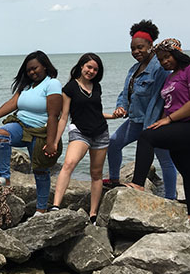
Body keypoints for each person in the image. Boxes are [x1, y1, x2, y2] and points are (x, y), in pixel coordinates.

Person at [104, 20, 176, 198]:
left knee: (165, 159)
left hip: (154, 122)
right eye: (133, 48)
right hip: (135, 120)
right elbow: (125, 92)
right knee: (113, 143)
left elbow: (158, 99)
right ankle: (114, 179)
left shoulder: (160, 68)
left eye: (140, 47)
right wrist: (121, 107)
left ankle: (170, 197)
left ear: (151, 45)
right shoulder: (134, 69)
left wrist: (154, 126)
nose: (136, 52)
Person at [0, 51, 62, 216]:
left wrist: (51, 143)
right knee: (1, 135)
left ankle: (41, 209)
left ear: (45, 66)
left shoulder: (52, 83)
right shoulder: (27, 86)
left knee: (41, 171)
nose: (32, 73)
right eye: (28, 71)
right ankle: (5, 177)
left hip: (41, 133)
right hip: (21, 126)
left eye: (35, 68)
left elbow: (53, 115)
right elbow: (13, 103)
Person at [126, 38, 190, 217]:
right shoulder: (170, 77)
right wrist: (161, 121)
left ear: (177, 53)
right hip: (175, 125)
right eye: (160, 59)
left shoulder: (188, 71)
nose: (164, 62)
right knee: (186, 170)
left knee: (146, 137)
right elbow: (169, 104)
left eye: (167, 57)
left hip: (186, 124)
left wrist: (168, 120)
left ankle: (138, 182)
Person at [52, 53, 115, 223]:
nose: (91, 71)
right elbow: (64, 116)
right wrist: (55, 141)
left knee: (96, 173)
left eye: (95, 69)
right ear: (81, 66)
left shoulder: (97, 87)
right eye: (89, 67)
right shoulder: (70, 88)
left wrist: (112, 116)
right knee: (69, 163)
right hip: (80, 132)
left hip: (101, 132)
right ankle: (56, 205)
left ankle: (93, 214)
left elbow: (95, 113)